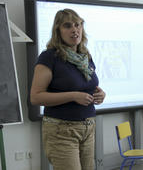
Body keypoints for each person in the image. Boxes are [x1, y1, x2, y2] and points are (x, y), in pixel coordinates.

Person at [30, 9, 105, 170]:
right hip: (61, 130)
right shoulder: (49, 57)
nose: (74, 29)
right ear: (58, 31)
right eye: (67, 26)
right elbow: (36, 97)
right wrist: (72, 96)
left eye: (77, 25)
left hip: (88, 127)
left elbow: (88, 86)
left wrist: (100, 94)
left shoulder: (85, 57)